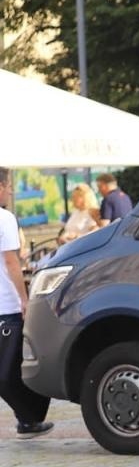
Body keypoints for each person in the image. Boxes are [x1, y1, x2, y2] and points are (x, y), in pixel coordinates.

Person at [0, 169, 53, 438]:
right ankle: (30, 417)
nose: (10, 191)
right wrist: (24, 298)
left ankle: (28, 419)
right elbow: (11, 262)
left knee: (11, 368)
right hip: (6, 305)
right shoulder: (5, 218)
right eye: (8, 186)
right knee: (12, 369)